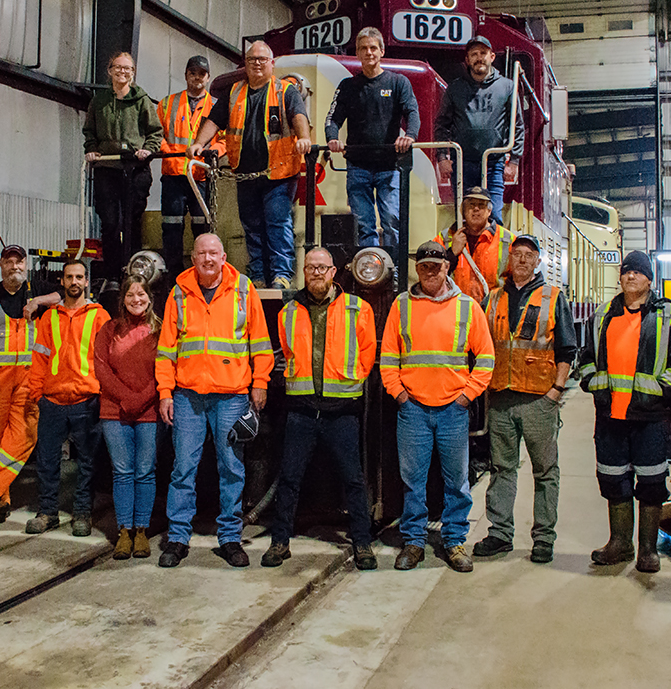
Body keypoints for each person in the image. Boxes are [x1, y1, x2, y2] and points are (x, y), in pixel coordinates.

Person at [155, 233, 273, 567]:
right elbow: (166, 350)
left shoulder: (243, 289)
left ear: (224, 257)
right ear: (193, 258)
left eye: (214, 253)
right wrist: (165, 391)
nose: (208, 259)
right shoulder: (179, 293)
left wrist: (260, 383)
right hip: (187, 395)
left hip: (231, 396)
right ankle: (178, 538)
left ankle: (230, 538)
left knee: (231, 469)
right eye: (202, 253)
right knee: (182, 470)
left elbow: (260, 342)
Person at [380, 240, 494, 573]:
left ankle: (454, 540)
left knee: (456, 480)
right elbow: (388, 357)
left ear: (448, 268)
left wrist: (466, 396)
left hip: (453, 410)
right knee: (412, 480)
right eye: (425, 266)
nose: (431, 272)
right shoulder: (402, 305)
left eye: (437, 266)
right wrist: (399, 394)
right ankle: (414, 541)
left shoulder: (467, 307)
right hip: (412, 408)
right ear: (418, 269)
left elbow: (486, 358)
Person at [263, 247, 378, 570]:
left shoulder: (358, 308)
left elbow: (367, 352)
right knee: (289, 478)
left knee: (353, 480)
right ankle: (280, 541)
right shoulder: (288, 311)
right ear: (304, 270)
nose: (316, 273)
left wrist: (349, 380)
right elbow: (287, 351)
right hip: (301, 410)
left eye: (322, 268)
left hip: (341, 411)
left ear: (333, 272)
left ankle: (362, 542)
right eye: (311, 267)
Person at [579, 251, 671, 573]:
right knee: (613, 479)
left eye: (638, 273)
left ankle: (648, 550)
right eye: (626, 272)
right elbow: (586, 358)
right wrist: (594, 384)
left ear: (649, 279)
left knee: (652, 483)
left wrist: (661, 392)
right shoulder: (602, 315)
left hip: (650, 417)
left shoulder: (668, 316)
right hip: (611, 416)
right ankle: (620, 544)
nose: (631, 277)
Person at [474, 233, 577, 564]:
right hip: (501, 398)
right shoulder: (492, 298)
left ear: (537, 262)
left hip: (538, 399)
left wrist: (555, 392)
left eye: (528, 254)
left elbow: (567, 349)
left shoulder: (553, 296)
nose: (521, 259)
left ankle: (544, 538)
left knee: (545, 471)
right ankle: (500, 534)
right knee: (502, 468)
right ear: (510, 260)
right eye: (516, 253)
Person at [189, 41, 312, 290]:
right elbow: (214, 120)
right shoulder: (234, 92)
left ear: (272, 63)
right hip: (245, 174)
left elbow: (299, 116)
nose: (257, 63)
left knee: (278, 224)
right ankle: (257, 275)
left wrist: (305, 138)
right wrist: (198, 144)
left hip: (278, 174)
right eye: (252, 59)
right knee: (252, 226)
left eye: (262, 59)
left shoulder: (285, 91)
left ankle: (280, 276)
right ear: (245, 63)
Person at [0, 244, 58, 524]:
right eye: (9, 262)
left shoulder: (35, 290)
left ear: (25, 264)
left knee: (26, 435)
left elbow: (63, 293)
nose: (15, 266)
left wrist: (38, 301)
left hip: (28, 379)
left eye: (19, 262)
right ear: (0, 264)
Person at [24, 260, 110, 537]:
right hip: (53, 400)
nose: (74, 281)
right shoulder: (48, 318)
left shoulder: (99, 317)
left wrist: (102, 394)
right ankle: (47, 512)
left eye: (79, 277)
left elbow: (107, 360)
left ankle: (82, 513)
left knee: (87, 463)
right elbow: (39, 358)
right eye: (69, 277)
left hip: (87, 400)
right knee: (47, 461)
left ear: (87, 282)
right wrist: (37, 393)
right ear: (61, 282)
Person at [324, 27, 419, 253]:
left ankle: (394, 272)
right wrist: (332, 139)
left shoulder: (399, 83)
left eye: (373, 48)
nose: (369, 52)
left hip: (389, 166)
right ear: (356, 53)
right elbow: (332, 119)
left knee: (391, 223)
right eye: (363, 48)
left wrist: (410, 135)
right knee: (363, 225)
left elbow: (412, 113)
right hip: (357, 167)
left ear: (382, 51)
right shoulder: (348, 86)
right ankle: (370, 272)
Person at [95, 275, 161, 560]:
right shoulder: (109, 330)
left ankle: (142, 532)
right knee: (123, 472)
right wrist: (125, 398)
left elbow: (165, 369)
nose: (137, 300)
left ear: (150, 298)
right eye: (131, 295)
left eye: (141, 295)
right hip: (114, 411)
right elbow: (101, 369)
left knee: (145, 472)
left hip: (149, 411)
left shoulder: (159, 331)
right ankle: (125, 531)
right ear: (122, 299)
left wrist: (140, 399)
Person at [83, 51, 163, 285]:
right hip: (107, 166)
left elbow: (155, 131)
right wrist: (92, 149)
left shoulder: (141, 100)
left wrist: (147, 149)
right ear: (110, 71)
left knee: (132, 220)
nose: (122, 72)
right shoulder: (99, 101)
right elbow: (89, 130)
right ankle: (111, 272)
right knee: (109, 221)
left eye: (127, 68)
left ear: (133, 73)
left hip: (135, 168)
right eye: (118, 67)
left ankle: (134, 270)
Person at [434, 35, 520, 224]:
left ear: (491, 57)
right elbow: (442, 124)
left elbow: (517, 125)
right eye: (474, 54)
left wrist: (514, 160)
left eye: (483, 53)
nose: (478, 57)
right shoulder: (455, 88)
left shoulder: (507, 87)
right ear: (467, 60)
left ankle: (496, 254)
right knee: (463, 216)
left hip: (493, 164)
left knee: (494, 215)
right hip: (461, 163)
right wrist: (441, 157)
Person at [157, 55, 221, 279]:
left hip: (201, 176)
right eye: (192, 72)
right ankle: (173, 276)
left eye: (201, 73)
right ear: (186, 75)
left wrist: (215, 153)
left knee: (202, 228)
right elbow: (157, 134)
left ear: (208, 77)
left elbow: (225, 140)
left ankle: (202, 275)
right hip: (174, 175)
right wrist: (168, 152)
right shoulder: (168, 103)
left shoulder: (216, 106)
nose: (197, 77)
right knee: (171, 228)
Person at [432, 186, 518, 303]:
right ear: (462, 209)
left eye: (481, 205)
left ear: (489, 211)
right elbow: (431, 275)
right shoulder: (445, 238)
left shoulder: (508, 240)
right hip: (455, 312)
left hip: (492, 314)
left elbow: (520, 280)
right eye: (471, 205)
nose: (476, 209)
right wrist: (452, 253)